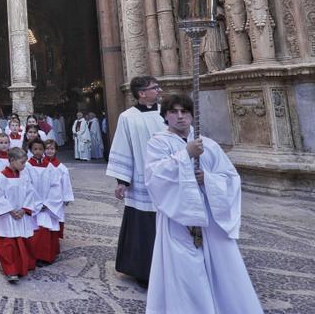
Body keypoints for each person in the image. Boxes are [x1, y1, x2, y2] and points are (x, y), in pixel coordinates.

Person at [144, 95, 263, 314]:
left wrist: (207, 179)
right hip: (178, 219)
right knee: (186, 273)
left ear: (192, 115)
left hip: (211, 218)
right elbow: (154, 176)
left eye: (185, 112)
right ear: (165, 116)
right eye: (174, 112)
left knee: (222, 270)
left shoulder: (208, 145)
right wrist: (186, 155)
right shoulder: (158, 143)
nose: (180, 117)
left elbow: (230, 178)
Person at [105, 75, 166, 288]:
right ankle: (144, 270)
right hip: (141, 181)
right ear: (141, 93)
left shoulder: (166, 113)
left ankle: (170, 268)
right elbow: (123, 147)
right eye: (154, 88)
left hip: (168, 181)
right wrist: (122, 180)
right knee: (143, 227)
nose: (159, 91)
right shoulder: (127, 117)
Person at [0, 146, 37, 283]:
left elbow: (30, 193)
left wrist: (24, 209)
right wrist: (11, 210)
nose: (24, 165)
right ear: (11, 160)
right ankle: (11, 270)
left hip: (21, 214)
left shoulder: (24, 176)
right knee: (8, 245)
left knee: (23, 242)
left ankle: (24, 265)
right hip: (7, 217)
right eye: (22, 162)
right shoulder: (0, 178)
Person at [24, 138, 62, 266]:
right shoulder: (27, 167)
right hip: (35, 205)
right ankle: (36, 256)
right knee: (37, 231)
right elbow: (27, 186)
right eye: (35, 149)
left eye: (41, 149)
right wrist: (38, 204)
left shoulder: (50, 167)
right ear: (30, 150)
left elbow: (56, 186)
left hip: (47, 205)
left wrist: (48, 203)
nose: (38, 151)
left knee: (47, 230)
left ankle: (47, 256)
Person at [45, 139, 73, 239]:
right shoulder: (40, 166)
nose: (49, 151)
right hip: (45, 197)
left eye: (52, 149)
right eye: (47, 148)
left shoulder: (61, 168)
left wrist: (66, 198)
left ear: (56, 150)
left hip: (57, 198)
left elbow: (66, 184)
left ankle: (55, 236)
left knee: (56, 216)